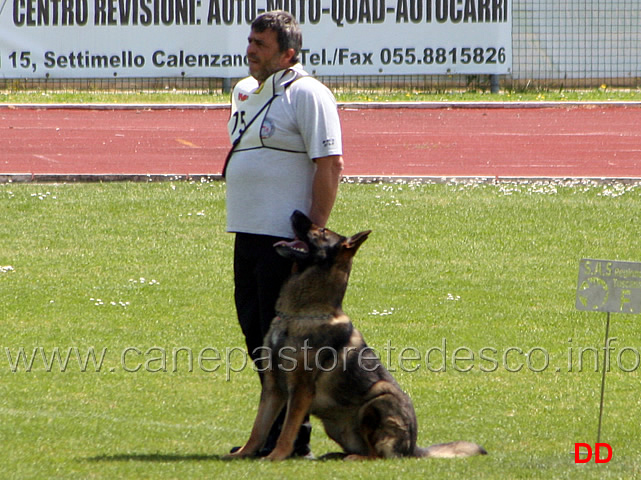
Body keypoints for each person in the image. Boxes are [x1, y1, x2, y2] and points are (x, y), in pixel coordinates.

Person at [224, 10, 344, 457]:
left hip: (284, 241)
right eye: (250, 40)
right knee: (257, 335)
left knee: (286, 348)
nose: (250, 49)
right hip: (246, 233)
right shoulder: (243, 92)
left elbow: (330, 165)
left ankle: (294, 440)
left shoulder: (309, 94)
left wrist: (310, 239)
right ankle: (272, 436)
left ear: (288, 53)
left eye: (261, 44)